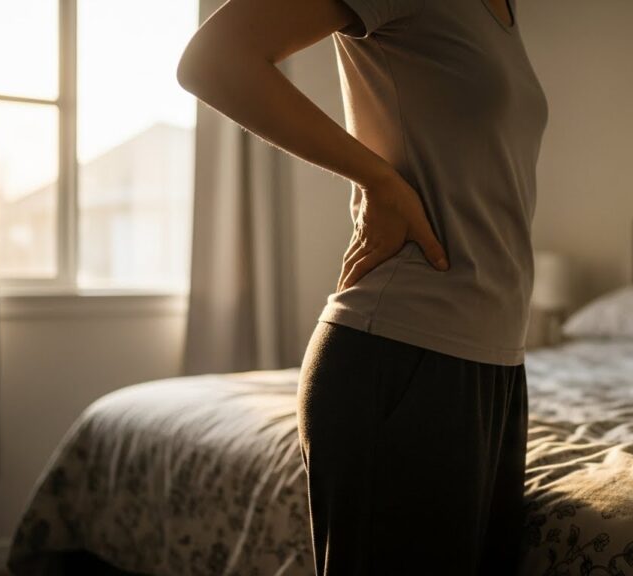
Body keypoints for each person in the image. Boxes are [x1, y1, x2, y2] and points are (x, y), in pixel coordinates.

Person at [176, 0, 547, 573]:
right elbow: (213, 61)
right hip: (401, 352)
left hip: (497, 367)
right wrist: (379, 181)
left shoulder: (507, 13)